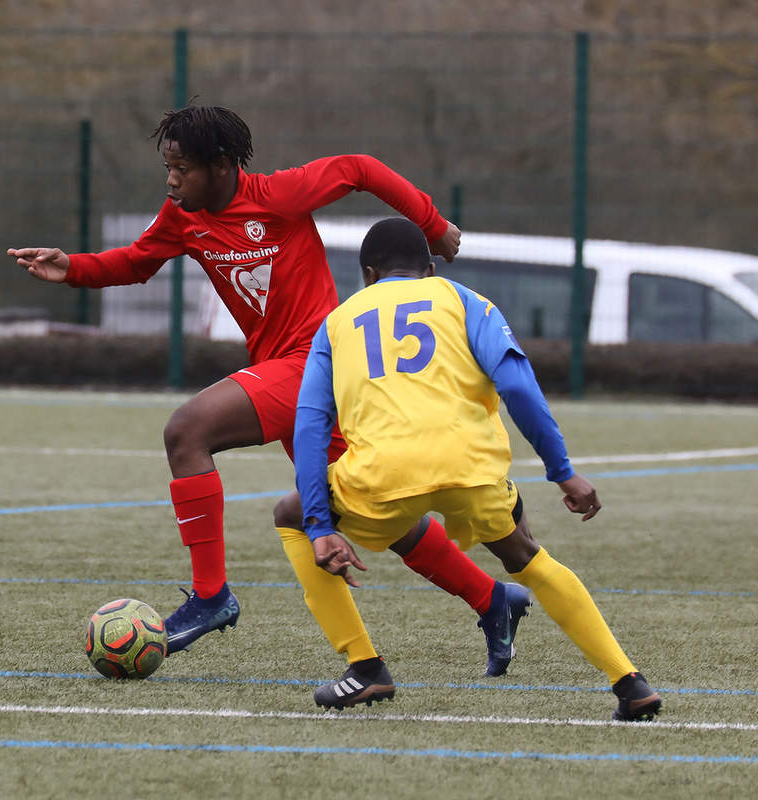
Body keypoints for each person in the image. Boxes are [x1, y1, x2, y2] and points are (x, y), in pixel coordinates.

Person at [8, 105, 527, 671]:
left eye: (182, 167)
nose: (171, 179)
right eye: (168, 166)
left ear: (224, 165)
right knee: (375, 510)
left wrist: (432, 223)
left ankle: (211, 598)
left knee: (187, 431)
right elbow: (136, 262)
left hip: (315, 362)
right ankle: (492, 599)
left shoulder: (279, 196)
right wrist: (74, 267)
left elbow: (358, 168)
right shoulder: (183, 215)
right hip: (294, 376)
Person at [283, 216, 662, 721]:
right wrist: (562, 470)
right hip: (472, 469)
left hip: (382, 476)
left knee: (288, 514)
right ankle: (629, 683)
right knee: (527, 556)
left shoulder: (337, 322)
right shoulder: (464, 300)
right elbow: (519, 388)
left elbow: (309, 424)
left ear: (367, 275)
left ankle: (366, 669)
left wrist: (317, 524)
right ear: (431, 268)